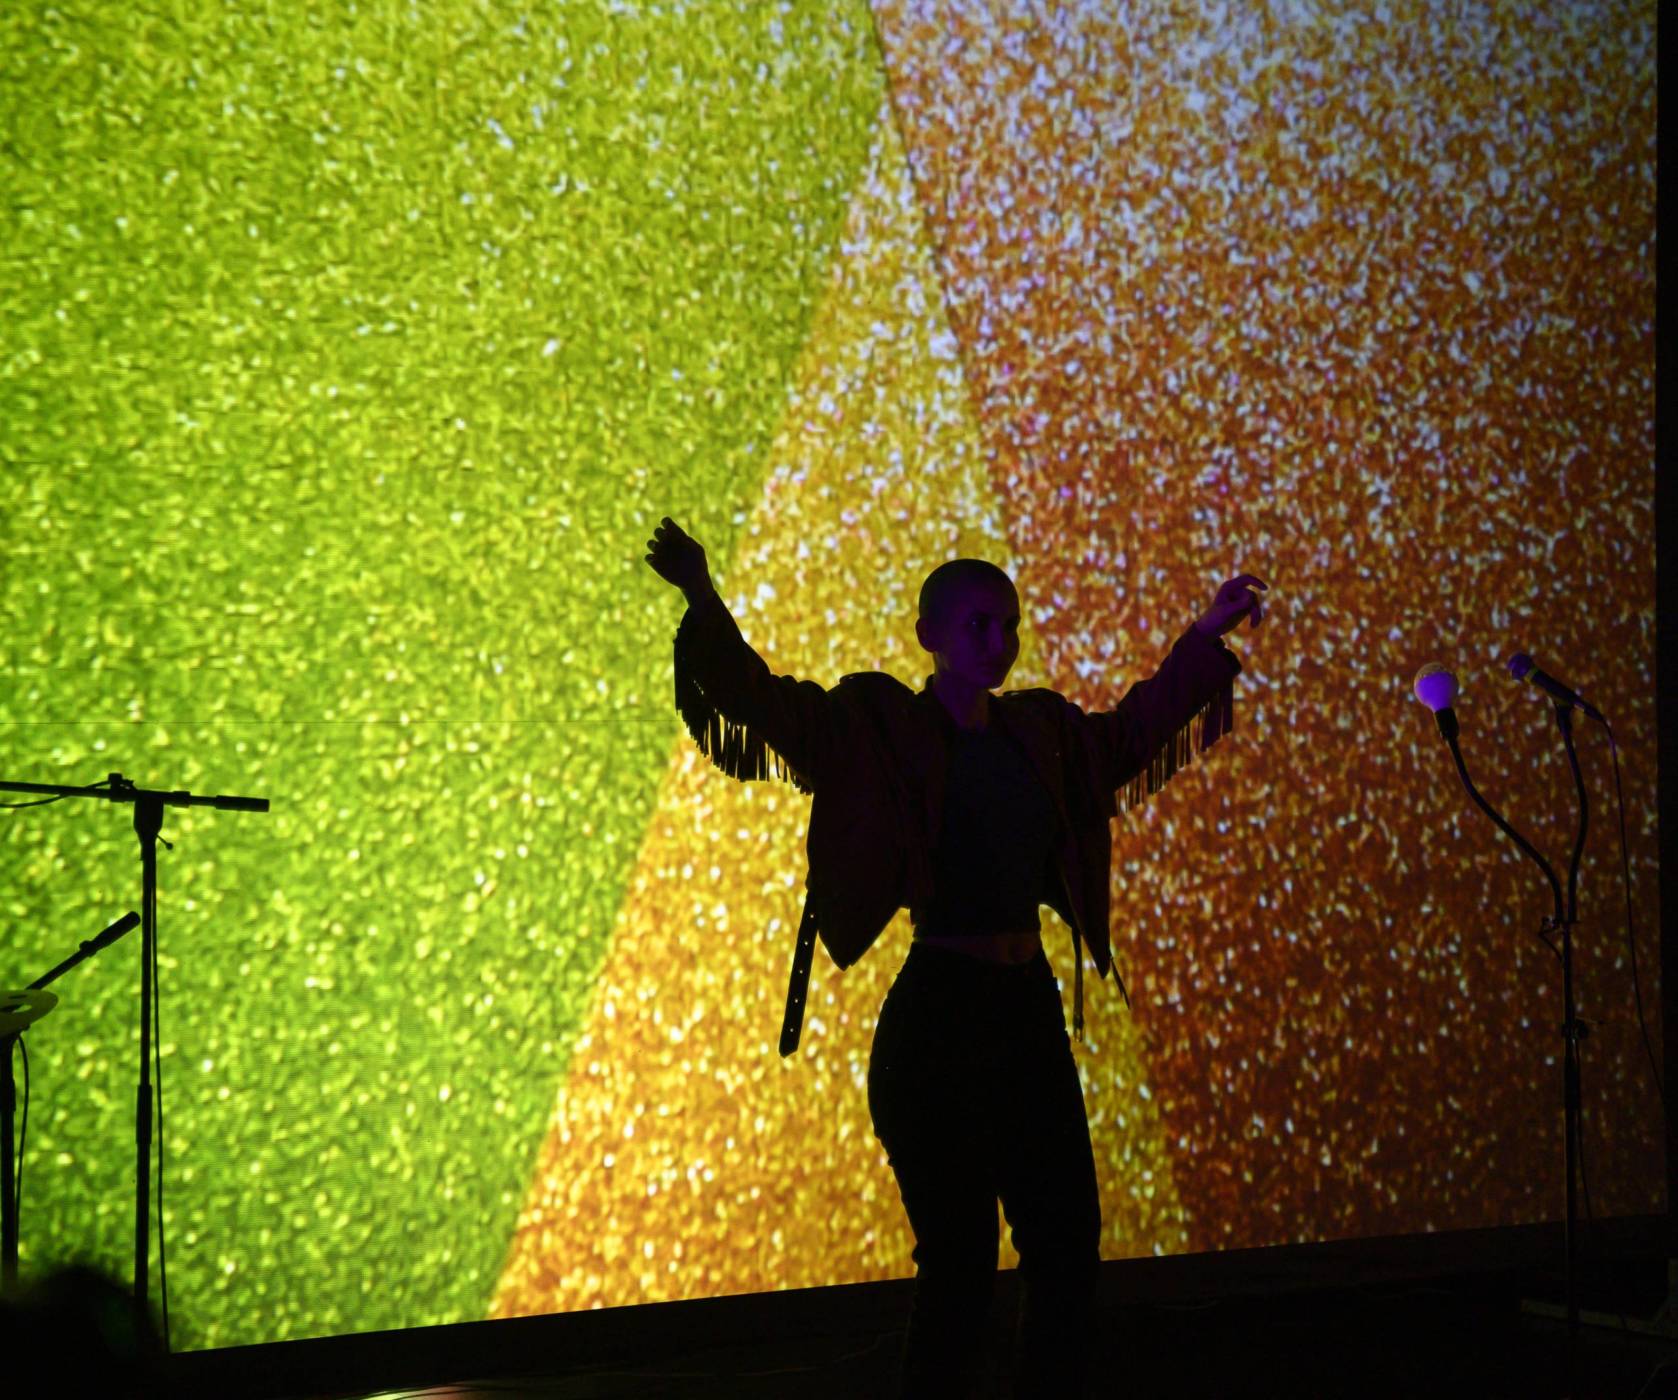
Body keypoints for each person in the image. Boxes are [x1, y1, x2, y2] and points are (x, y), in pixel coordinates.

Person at [645, 517, 1265, 1398]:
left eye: (1008, 624)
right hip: (939, 1022)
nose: (998, 640)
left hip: (1026, 1013)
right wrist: (702, 594)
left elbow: (1130, 732)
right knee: (962, 1263)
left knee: (1065, 1244)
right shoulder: (879, 727)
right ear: (929, 635)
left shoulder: (1042, 732)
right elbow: (767, 703)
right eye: (978, 624)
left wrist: (1204, 633)